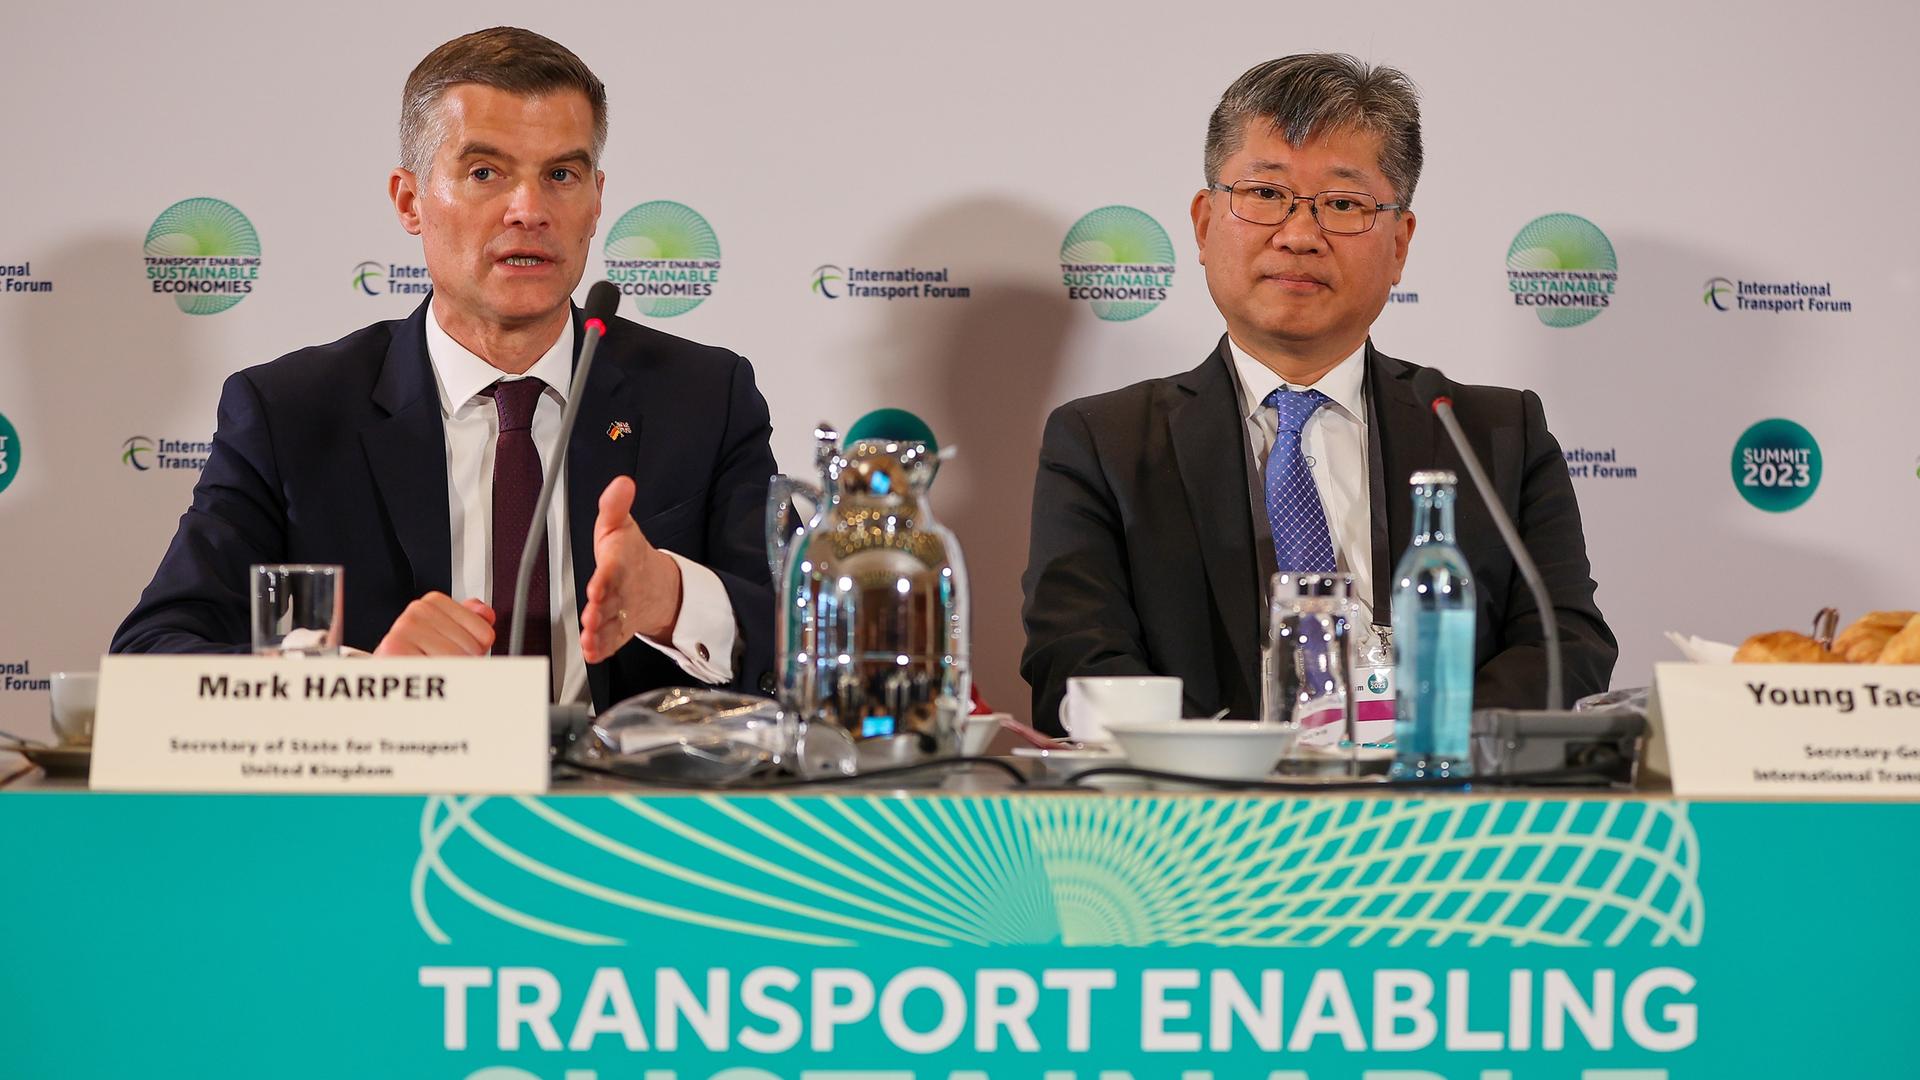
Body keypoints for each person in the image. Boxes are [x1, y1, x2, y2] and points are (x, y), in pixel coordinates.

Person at [112, 27, 777, 709]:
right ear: (409, 201)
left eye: (561, 175)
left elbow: (804, 649)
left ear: (597, 198)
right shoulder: (289, 414)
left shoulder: (704, 398)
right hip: (391, 811)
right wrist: (357, 684)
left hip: (628, 810)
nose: (530, 210)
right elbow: (152, 656)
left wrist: (673, 601)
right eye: (485, 172)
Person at [1021, 54, 1616, 735]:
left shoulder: (1494, 433)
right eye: (1265, 194)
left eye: (1343, 204)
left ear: (1399, 245)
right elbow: (1074, 662)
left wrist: (1414, 740)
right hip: (1200, 826)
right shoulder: (1104, 445)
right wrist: (1237, 769)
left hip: (1441, 816)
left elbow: (1566, 642)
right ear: (1204, 224)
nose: (1300, 235)